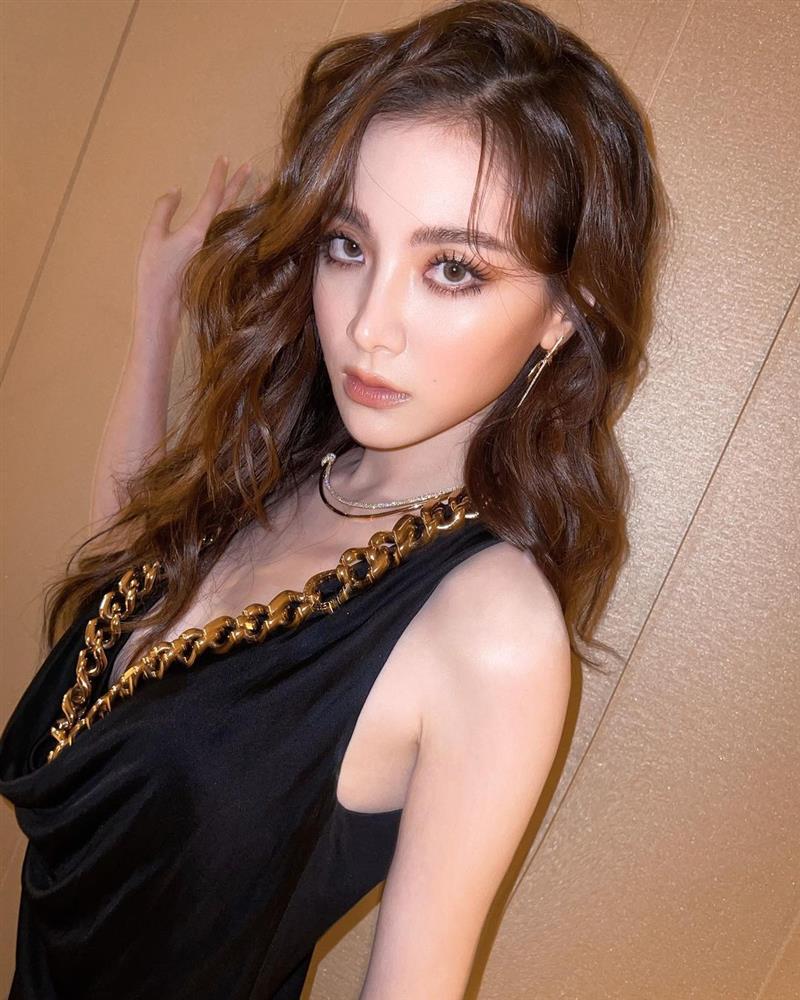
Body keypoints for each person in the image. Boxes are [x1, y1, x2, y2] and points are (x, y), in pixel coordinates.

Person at [0, 0, 671, 997]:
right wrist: (155, 321)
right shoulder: (295, 470)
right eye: (349, 245)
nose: (368, 326)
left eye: (452, 269)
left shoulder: (490, 630)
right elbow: (129, 578)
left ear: (564, 313)